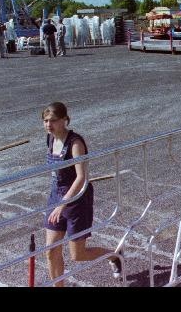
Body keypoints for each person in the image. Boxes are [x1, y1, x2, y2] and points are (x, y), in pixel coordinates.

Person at [42, 102, 121, 286]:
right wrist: (57, 202)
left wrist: (62, 205)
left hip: (76, 199)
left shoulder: (75, 143)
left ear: (64, 120)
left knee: (78, 255)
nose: (48, 125)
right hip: (56, 195)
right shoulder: (50, 139)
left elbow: (81, 177)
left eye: (53, 120)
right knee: (51, 251)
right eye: (45, 121)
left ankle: (115, 255)